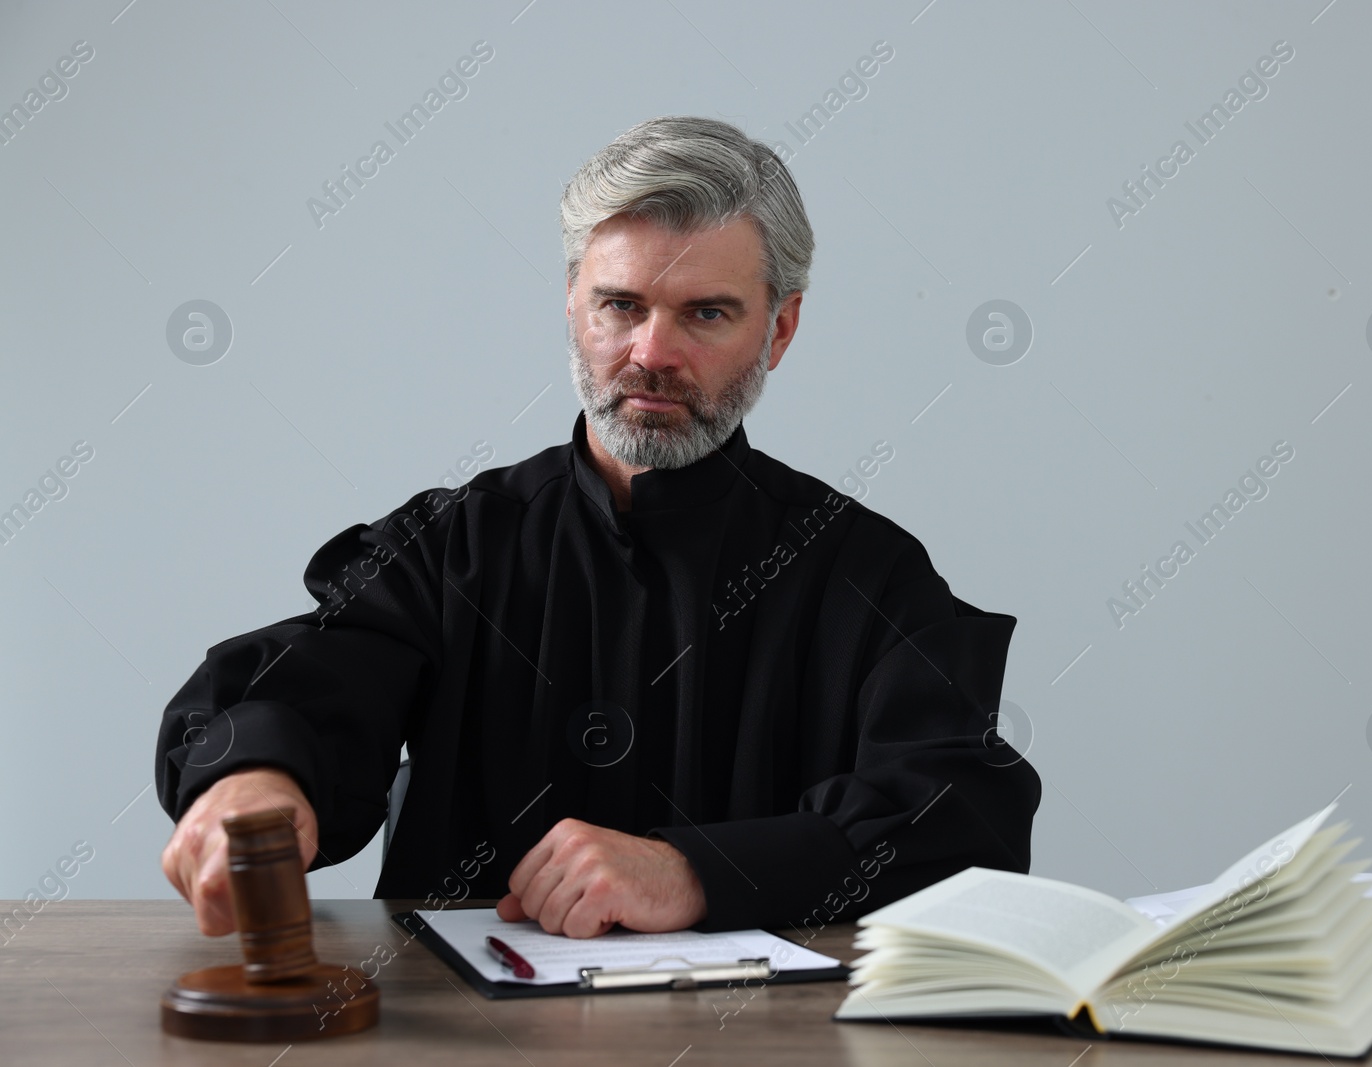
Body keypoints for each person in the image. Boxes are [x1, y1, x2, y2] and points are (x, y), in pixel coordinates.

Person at [156, 115, 1039, 940]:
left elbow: (962, 813)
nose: (653, 353)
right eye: (621, 304)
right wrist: (258, 776)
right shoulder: (448, 547)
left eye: (707, 312)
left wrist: (694, 871)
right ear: (572, 304)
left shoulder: (869, 572)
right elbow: (310, 682)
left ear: (780, 329)